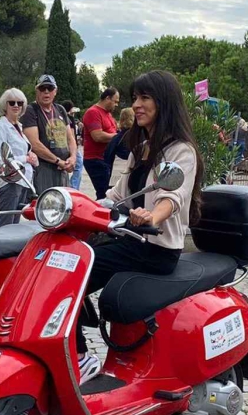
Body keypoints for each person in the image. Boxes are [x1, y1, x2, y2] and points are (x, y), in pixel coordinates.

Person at [80, 71, 203, 383]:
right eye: (135, 98)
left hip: (154, 248)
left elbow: (172, 196)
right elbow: (117, 196)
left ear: (164, 103)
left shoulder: (180, 151)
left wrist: (153, 217)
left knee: (76, 274)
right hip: (130, 241)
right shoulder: (142, 148)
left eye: (144, 98)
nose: (136, 105)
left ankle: (81, 358)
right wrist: (75, 208)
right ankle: (73, 346)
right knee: (69, 260)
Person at [0, 88, 37, 225]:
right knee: (5, 224)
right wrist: (25, 159)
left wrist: (31, 156)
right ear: (5, 105)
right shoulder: (0, 126)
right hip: (10, 181)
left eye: (20, 103)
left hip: (23, 180)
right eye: (12, 102)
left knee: (15, 224)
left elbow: (21, 150)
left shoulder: (19, 126)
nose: (16, 105)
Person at [22, 75, 76, 192]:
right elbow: (34, 144)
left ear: (55, 91)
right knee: (46, 204)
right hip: (43, 168)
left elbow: (70, 138)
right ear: (37, 91)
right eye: (42, 88)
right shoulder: (31, 110)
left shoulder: (60, 109)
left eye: (50, 88)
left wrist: (73, 158)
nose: (46, 92)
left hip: (62, 169)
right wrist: (58, 161)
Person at [81, 87, 121, 196]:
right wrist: (119, 137)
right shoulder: (93, 112)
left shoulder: (108, 114)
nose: (116, 105)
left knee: (110, 193)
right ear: (107, 98)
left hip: (106, 159)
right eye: (115, 101)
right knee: (105, 194)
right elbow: (97, 136)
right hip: (95, 160)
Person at [102, 105, 133, 185]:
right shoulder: (138, 137)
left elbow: (107, 157)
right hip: (131, 176)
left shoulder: (116, 138)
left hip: (115, 177)